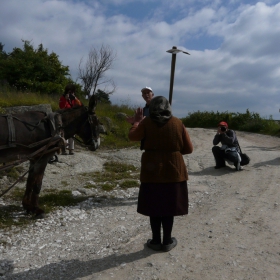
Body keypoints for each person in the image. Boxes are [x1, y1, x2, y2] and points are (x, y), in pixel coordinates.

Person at [128, 96, 193, 252]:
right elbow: (188, 149)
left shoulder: (146, 122)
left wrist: (136, 121)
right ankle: (167, 240)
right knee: (169, 206)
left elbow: (132, 137)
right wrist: (174, 151)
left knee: (154, 205)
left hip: (152, 170)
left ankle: (156, 240)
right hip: (174, 170)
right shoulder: (178, 123)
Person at [58, 84, 82, 155]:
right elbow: (62, 107)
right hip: (64, 117)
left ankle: (71, 149)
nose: (70, 94)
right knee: (64, 133)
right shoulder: (62, 98)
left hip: (72, 118)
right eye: (69, 92)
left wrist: (75, 98)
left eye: (72, 92)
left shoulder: (74, 99)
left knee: (72, 134)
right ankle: (64, 149)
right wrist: (65, 99)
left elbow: (80, 105)